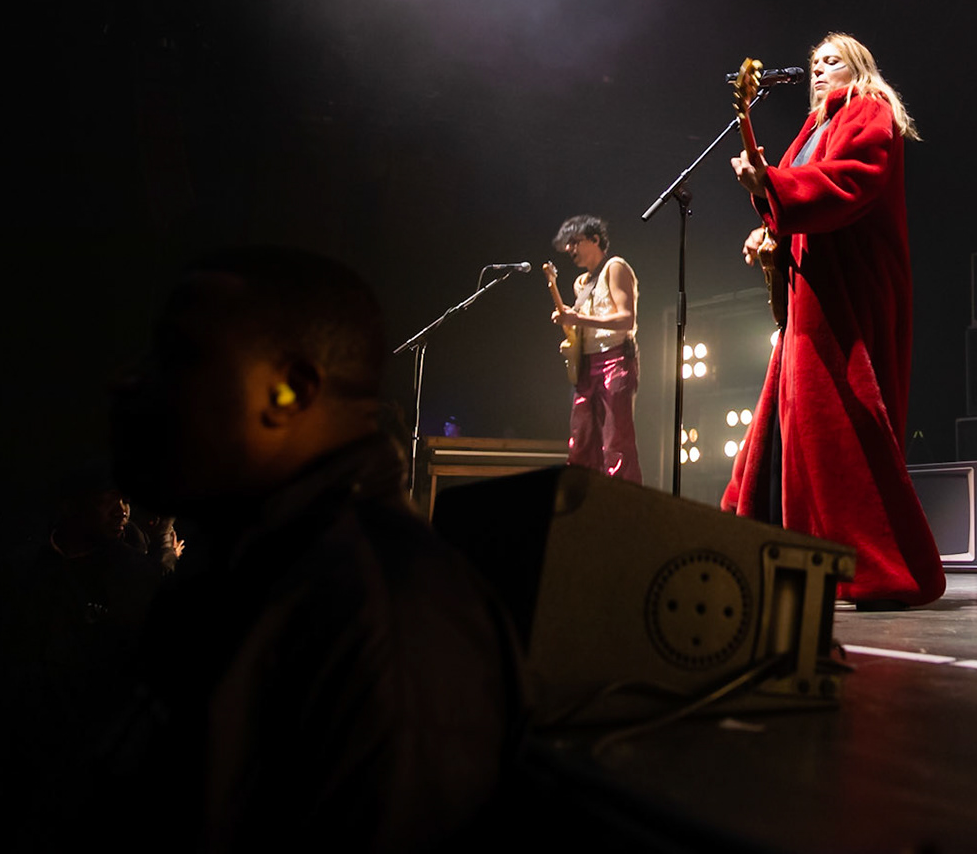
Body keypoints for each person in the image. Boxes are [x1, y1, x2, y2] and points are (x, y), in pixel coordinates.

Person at [108, 246, 526, 850]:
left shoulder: (388, 622)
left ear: (290, 391)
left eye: (177, 357)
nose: (127, 381)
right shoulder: (256, 564)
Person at [722, 34, 945, 609]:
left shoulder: (869, 109)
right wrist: (771, 234)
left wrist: (772, 186)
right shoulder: (813, 126)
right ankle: (792, 552)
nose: (818, 70)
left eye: (832, 62)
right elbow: (795, 202)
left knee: (841, 423)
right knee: (790, 428)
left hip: (849, 295)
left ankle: (878, 565)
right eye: (815, 62)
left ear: (858, 68)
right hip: (812, 295)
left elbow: (850, 183)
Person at [550, 215, 643, 484]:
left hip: (616, 360)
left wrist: (577, 319)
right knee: (581, 440)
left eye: (575, 242)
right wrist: (569, 323)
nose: (570, 249)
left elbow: (627, 319)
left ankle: (624, 505)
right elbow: (582, 327)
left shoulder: (616, 267)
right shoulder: (580, 283)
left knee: (616, 441)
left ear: (595, 240)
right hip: (587, 365)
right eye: (568, 245)